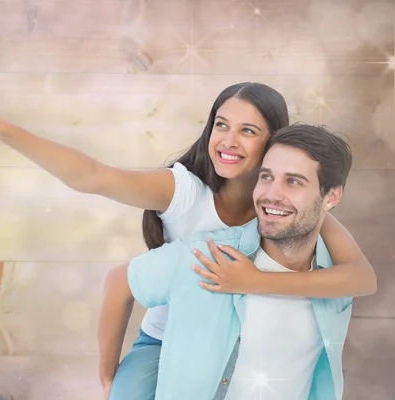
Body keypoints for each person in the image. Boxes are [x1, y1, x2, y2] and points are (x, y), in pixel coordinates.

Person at [0, 80, 376, 399]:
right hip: (165, 341)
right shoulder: (183, 191)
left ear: (274, 142)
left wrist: (254, 281)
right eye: (221, 124)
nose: (228, 140)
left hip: (242, 338)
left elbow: (360, 277)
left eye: (247, 130)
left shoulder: (286, 206)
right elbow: (92, 176)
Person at [112, 123, 358, 400]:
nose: (272, 194)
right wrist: (108, 377)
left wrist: (260, 281)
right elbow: (120, 282)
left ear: (331, 197)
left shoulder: (336, 281)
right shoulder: (209, 256)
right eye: (266, 177)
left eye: (293, 181)